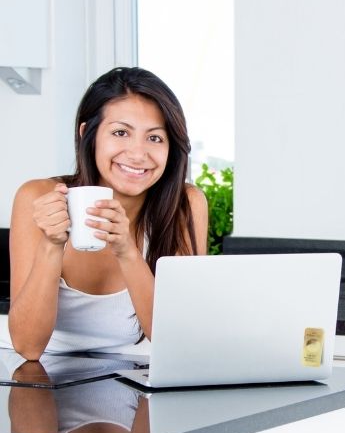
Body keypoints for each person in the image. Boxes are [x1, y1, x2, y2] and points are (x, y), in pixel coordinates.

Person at [7, 66, 209, 360]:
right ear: (88, 133)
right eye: (120, 133)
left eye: (154, 138)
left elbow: (180, 342)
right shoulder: (38, 197)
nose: (138, 154)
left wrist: (127, 251)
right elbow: (28, 347)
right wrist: (51, 245)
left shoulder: (185, 204)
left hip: (135, 373)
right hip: (43, 374)